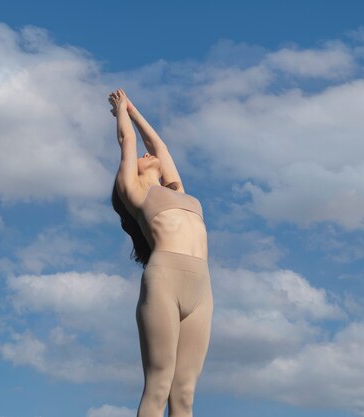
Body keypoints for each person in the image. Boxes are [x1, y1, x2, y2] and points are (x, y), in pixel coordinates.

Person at [109, 88, 214, 417]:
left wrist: (135, 109)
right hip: (165, 280)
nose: (145, 154)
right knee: (158, 385)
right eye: (140, 158)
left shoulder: (175, 189)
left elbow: (160, 146)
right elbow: (128, 142)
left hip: (201, 287)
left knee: (184, 394)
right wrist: (120, 111)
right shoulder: (135, 192)